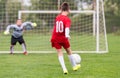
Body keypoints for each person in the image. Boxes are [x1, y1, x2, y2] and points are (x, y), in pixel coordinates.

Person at [51, 2, 80, 74]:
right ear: (68, 9)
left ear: (61, 9)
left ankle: (64, 69)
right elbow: (67, 28)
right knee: (69, 51)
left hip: (55, 37)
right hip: (63, 37)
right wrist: (67, 35)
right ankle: (74, 66)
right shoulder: (67, 19)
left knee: (59, 52)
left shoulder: (57, 17)